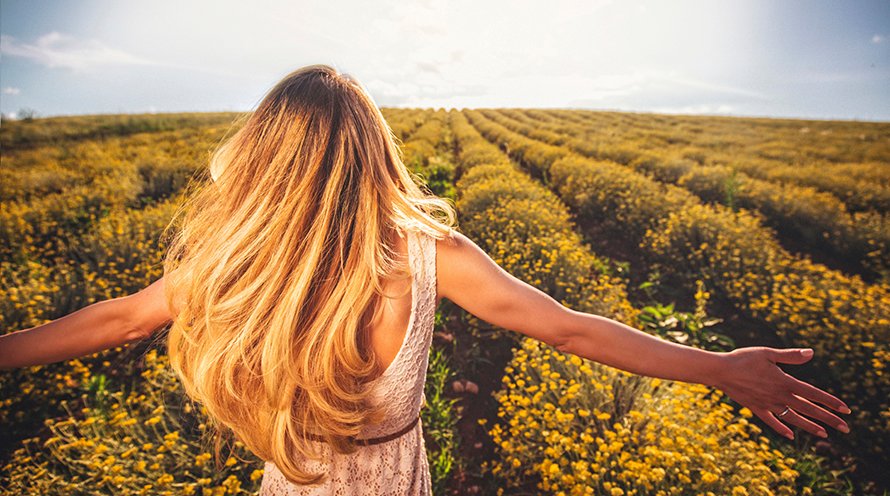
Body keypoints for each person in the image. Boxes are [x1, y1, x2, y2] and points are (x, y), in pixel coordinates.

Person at [0, 64, 851, 495]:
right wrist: (721, 367)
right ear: (371, 151)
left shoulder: (238, 260)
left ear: (263, 159)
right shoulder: (431, 257)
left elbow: (117, 320)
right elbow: (569, 327)